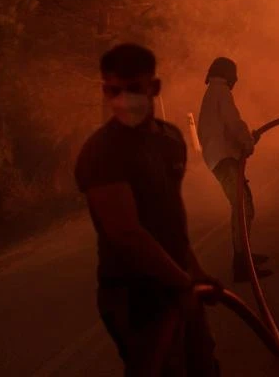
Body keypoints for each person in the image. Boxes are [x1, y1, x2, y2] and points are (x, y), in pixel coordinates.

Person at [75, 43, 221, 376]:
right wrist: (183, 284)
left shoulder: (169, 139)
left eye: (134, 88)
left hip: (179, 281)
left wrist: (193, 272)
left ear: (154, 88)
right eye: (115, 91)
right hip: (133, 295)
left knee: (203, 365)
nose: (124, 99)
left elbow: (170, 217)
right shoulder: (102, 153)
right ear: (105, 91)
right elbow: (126, 234)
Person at [197, 57, 272, 282]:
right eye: (235, 74)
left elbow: (225, 128)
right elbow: (232, 122)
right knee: (242, 207)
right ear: (228, 74)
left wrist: (245, 140)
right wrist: (246, 142)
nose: (236, 79)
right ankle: (242, 265)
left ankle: (244, 256)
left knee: (243, 205)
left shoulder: (213, 93)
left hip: (220, 157)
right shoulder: (221, 92)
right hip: (223, 158)